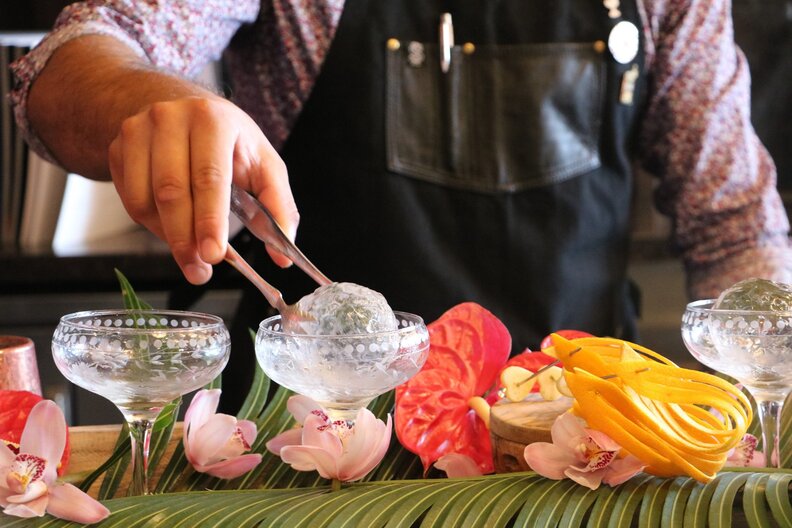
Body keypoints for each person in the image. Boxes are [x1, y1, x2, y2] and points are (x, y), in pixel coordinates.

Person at [10, 0, 792, 410]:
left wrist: (763, 403)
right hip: (310, 459)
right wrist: (146, 100)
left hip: (581, 454)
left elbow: (737, 227)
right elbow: (69, 62)